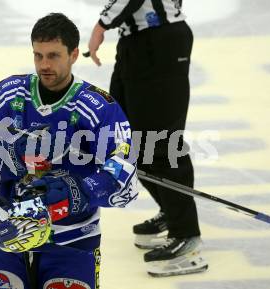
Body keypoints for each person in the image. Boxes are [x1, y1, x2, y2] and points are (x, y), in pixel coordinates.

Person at [0, 13, 138, 289]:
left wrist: (80, 190)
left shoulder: (99, 108)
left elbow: (127, 185)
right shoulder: (8, 94)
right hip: (8, 230)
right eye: (38, 56)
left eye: (53, 56)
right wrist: (11, 154)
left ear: (74, 54)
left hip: (73, 239)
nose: (44, 65)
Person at [87, 0, 208, 277]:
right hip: (136, 43)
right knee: (126, 140)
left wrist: (102, 24)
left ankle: (186, 236)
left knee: (162, 142)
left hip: (160, 42)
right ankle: (171, 210)